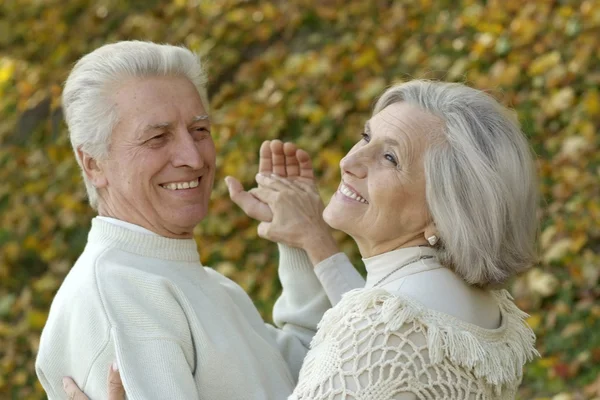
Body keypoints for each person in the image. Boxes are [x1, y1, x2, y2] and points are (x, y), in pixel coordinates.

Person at [63, 79, 540, 398]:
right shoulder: (475, 310)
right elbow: (389, 333)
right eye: (365, 135)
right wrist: (312, 239)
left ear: (446, 206)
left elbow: (373, 341)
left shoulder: (375, 332)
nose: (350, 161)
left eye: (390, 158)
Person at [36, 40, 364, 400]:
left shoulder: (208, 285)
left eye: (200, 131)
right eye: (158, 137)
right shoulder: (120, 296)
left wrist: (300, 241)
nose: (193, 157)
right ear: (93, 164)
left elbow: (317, 377)